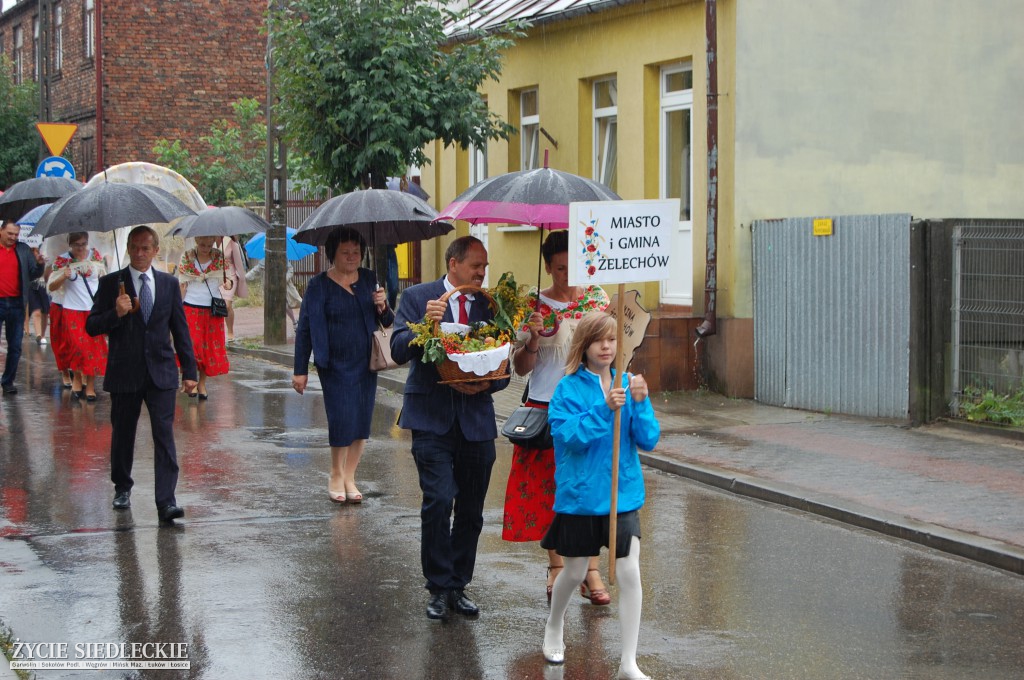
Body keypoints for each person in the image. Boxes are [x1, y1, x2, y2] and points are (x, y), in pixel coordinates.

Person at [390, 235, 510, 621]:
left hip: (476, 420)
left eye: (485, 266)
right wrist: (425, 325)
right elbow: (396, 349)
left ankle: (459, 585)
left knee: (472, 510)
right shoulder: (417, 297)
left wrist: (486, 381)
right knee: (439, 500)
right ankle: (438, 587)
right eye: (476, 265)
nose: (482, 272)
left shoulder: (488, 306)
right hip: (430, 417)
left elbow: (503, 368)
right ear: (453, 263)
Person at [541, 311, 660, 680]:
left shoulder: (628, 382)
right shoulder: (568, 388)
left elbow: (648, 439)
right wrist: (605, 407)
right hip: (580, 497)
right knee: (574, 570)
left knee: (629, 573)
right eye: (599, 340)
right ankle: (554, 624)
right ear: (584, 345)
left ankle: (628, 662)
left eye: (612, 339)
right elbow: (570, 437)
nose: (607, 347)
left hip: (622, 496)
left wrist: (639, 403)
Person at [504, 230, 611, 605]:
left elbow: (612, 346)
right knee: (549, 490)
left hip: (591, 405)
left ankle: (591, 569)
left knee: (589, 487)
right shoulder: (535, 306)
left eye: (573, 267)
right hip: (546, 407)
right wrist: (532, 339)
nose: (567, 275)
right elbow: (521, 368)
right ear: (548, 267)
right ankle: (556, 565)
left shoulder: (598, 298)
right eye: (559, 268)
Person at [86, 226, 198, 524]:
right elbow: (92, 325)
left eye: (145, 248)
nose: (139, 253)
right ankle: (122, 487)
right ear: (128, 249)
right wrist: (116, 313)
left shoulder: (169, 284)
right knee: (124, 433)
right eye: (134, 247)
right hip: (125, 372)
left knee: (164, 436)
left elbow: (180, 329)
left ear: (155, 250)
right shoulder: (112, 284)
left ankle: (166, 501)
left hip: (161, 371)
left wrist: (189, 371)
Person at [292, 227, 392, 504]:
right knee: (341, 418)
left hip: (365, 362)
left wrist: (382, 306)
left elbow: (386, 322)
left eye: (356, 252)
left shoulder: (369, 279)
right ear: (332, 254)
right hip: (334, 364)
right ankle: (336, 474)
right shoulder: (318, 285)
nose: (352, 257)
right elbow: (305, 330)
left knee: (361, 419)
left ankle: (350, 476)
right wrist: (300, 370)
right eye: (345, 252)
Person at [47, 233, 109, 401]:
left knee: (94, 349)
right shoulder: (62, 261)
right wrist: (63, 276)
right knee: (77, 347)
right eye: (76, 245)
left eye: (83, 244)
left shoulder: (95, 256)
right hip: (72, 309)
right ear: (70, 244)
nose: (80, 248)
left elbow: (103, 279)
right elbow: (51, 286)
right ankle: (77, 377)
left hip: (92, 309)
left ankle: (89, 385)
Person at [176, 236, 234, 399]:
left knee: (207, 348)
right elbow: (182, 282)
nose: (206, 248)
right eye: (202, 244)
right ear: (196, 241)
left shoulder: (219, 258)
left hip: (212, 309)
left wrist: (227, 285)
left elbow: (227, 279)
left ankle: (201, 383)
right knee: (191, 346)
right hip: (190, 306)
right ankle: (190, 379)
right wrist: (177, 307)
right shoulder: (187, 257)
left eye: (209, 245)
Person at [0, 220, 44, 395]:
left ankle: (7, 381)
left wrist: (40, 263)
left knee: (16, 346)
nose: (13, 237)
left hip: (17, 303)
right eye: (10, 234)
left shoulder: (23, 249)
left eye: (16, 234)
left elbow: (34, 273)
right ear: (1, 231)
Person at [245, 258, 301, 329]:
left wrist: (284, 280)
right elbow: (255, 270)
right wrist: (245, 277)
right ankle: (278, 325)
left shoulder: (284, 259)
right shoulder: (264, 260)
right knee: (274, 306)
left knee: (289, 304)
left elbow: (290, 270)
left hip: (283, 286)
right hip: (270, 287)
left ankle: (296, 321)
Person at [221, 235, 248, 341]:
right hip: (216, 276)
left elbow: (239, 264)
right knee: (217, 305)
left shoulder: (232, 243)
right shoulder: (211, 241)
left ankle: (230, 330)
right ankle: (219, 330)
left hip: (230, 276)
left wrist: (242, 280)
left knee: (227, 305)